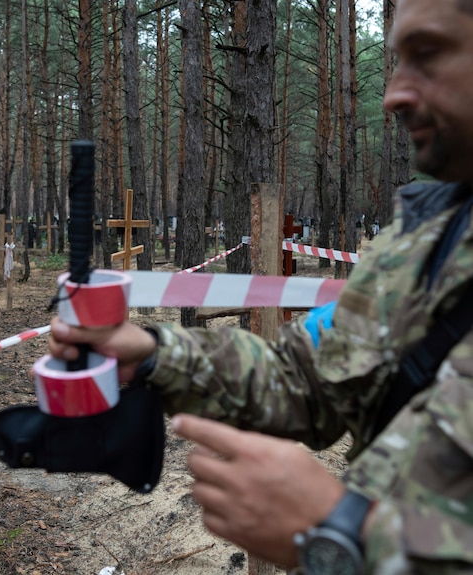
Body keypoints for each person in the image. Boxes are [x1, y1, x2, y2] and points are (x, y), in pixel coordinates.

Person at [48, 1, 473, 573]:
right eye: (395, 62)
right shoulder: (423, 239)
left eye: (428, 54)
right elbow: (307, 381)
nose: (393, 94)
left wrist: (348, 534)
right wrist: (152, 355)